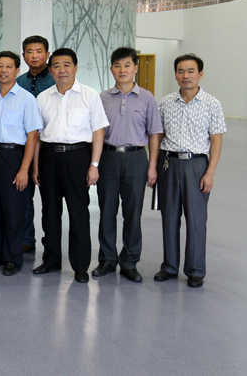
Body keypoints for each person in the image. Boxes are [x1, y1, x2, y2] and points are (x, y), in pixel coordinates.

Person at [33, 48, 109, 284]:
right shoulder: (43, 97)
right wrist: (35, 166)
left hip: (78, 158)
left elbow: (98, 132)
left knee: (78, 213)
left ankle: (80, 266)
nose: (62, 70)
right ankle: (51, 260)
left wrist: (94, 164)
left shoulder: (89, 95)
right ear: (50, 70)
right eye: (56, 66)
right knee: (50, 212)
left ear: (75, 68)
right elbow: (37, 136)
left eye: (67, 65)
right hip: (48, 158)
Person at [154, 54, 225, 288]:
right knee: (169, 218)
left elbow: (216, 141)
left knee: (196, 220)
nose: (185, 76)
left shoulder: (212, 104)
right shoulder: (165, 103)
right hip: (169, 164)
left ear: (200, 74)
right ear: (175, 74)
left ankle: (195, 269)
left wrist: (210, 172)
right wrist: (154, 165)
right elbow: (158, 136)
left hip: (197, 165)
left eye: (191, 71)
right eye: (181, 71)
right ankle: (169, 266)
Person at [93, 47, 162, 282]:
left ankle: (130, 262)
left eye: (127, 65)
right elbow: (96, 133)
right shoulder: (101, 98)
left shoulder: (147, 98)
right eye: (117, 65)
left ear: (135, 68)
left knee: (133, 214)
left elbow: (154, 134)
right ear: (111, 69)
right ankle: (107, 260)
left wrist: (152, 166)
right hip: (108, 159)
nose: (122, 70)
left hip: (136, 159)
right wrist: (94, 164)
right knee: (107, 212)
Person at [0, 52, 42, 276]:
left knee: (14, 211)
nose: (3, 70)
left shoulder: (26, 99)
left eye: (8, 66)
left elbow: (32, 136)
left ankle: (13, 259)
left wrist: (24, 169)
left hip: (14, 157)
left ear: (17, 70)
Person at [16, 35, 55, 254]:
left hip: (49, 148)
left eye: (39, 51)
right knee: (24, 197)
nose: (34, 56)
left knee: (50, 200)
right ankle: (26, 239)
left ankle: (51, 245)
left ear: (47, 54)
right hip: (24, 148)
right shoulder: (19, 82)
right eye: (30, 52)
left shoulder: (55, 79)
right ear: (24, 56)